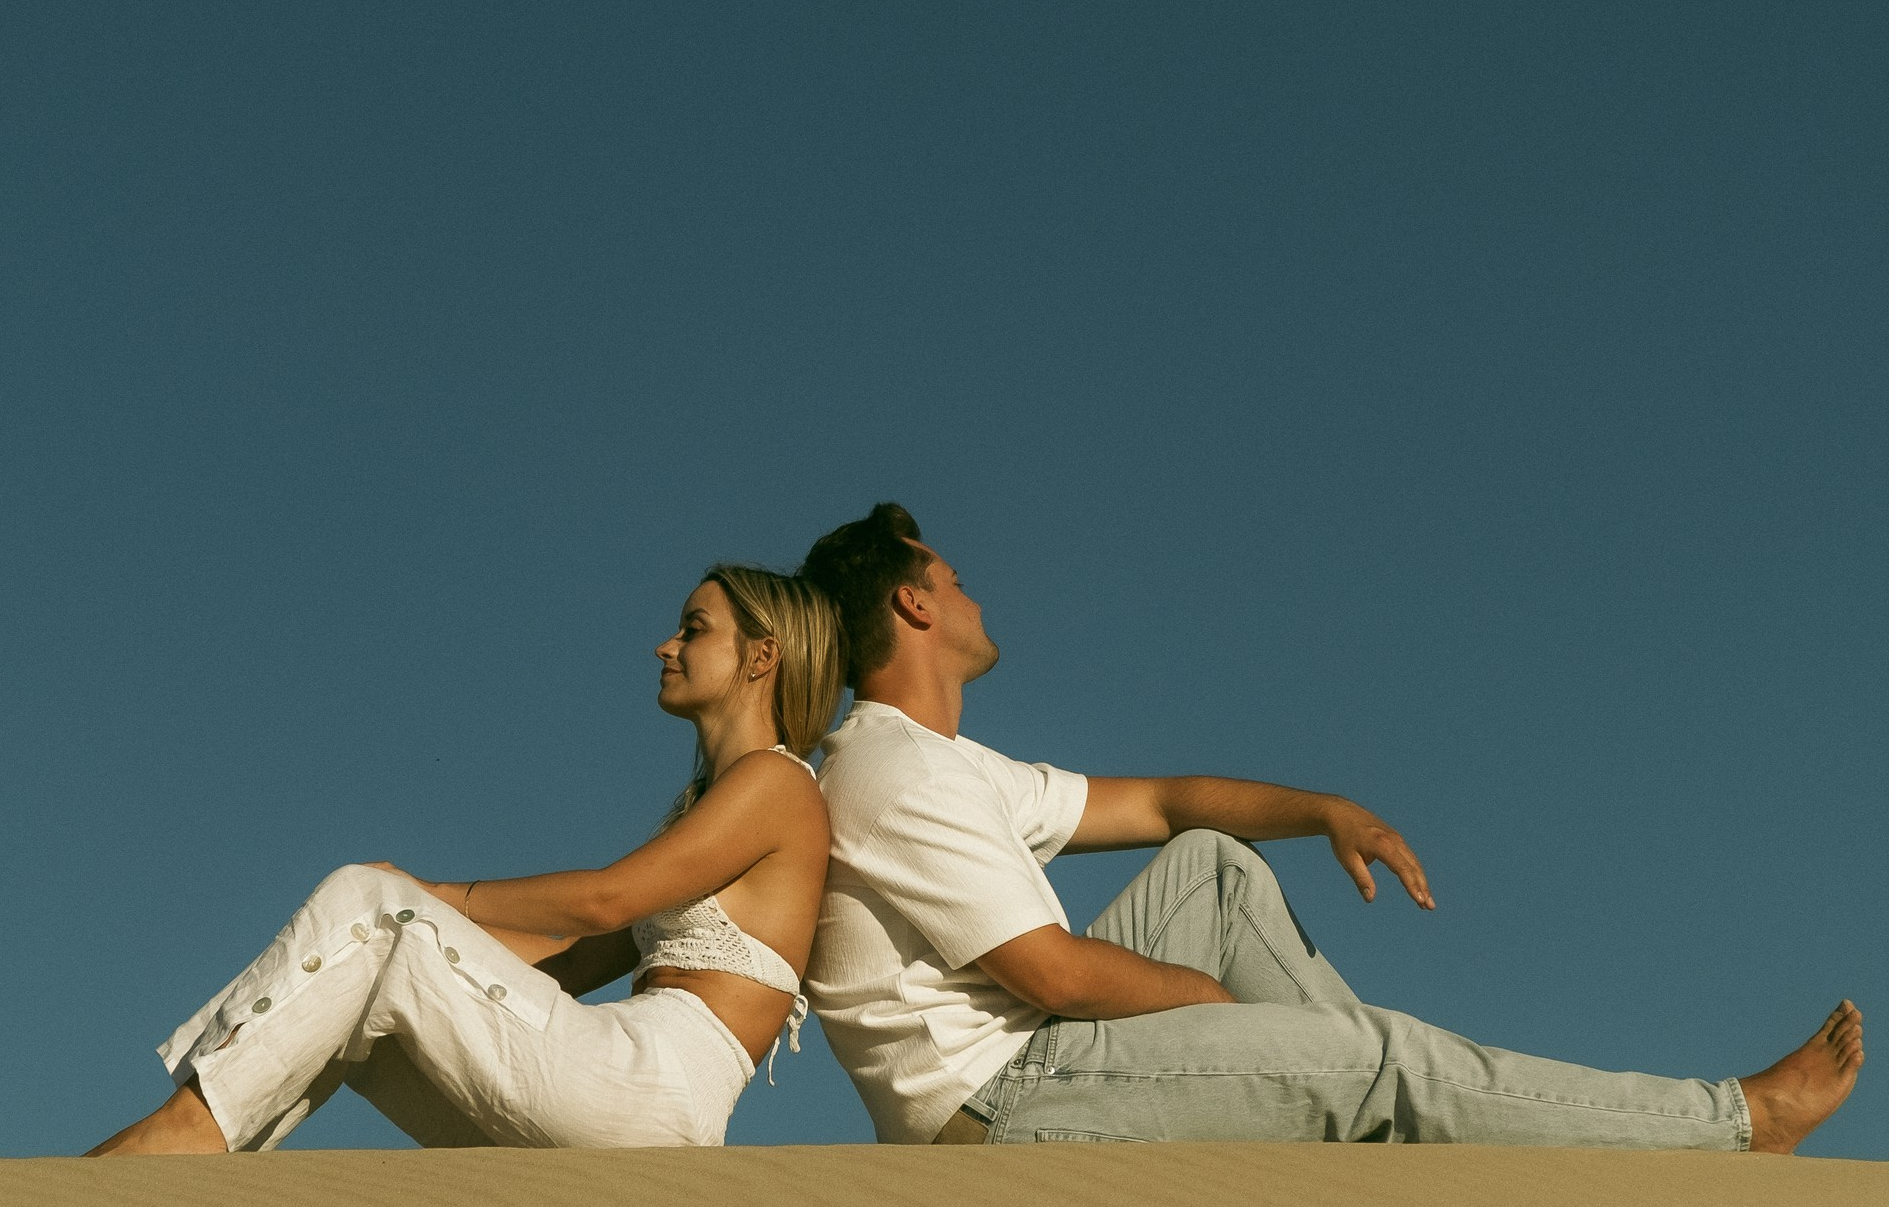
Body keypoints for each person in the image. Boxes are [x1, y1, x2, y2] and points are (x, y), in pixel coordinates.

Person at [794, 504, 1863, 1156]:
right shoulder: (892, 772)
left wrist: (1320, 813)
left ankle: (1372, 1120)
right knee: (1376, 1053)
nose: (972, 593)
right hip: (997, 1110)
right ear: (914, 606)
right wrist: (1204, 1006)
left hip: (1046, 1062)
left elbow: (1164, 804)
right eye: (952, 577)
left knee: (1210, 868)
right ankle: (1734, 1122)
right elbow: (1054, 977)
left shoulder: (950, 762)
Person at [88, 566, 840, 1156]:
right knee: (359, 996)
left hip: (655, 1085)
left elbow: (605, 901)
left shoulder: (776, 784)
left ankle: (182, 1134)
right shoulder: (705, 805)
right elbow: (570, 961)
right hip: (625, 1097)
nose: (665, 645)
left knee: (363, 898)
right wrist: (419, 931)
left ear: (761, 656)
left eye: (693, 629)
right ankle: (191, 1155)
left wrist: (426, 897)